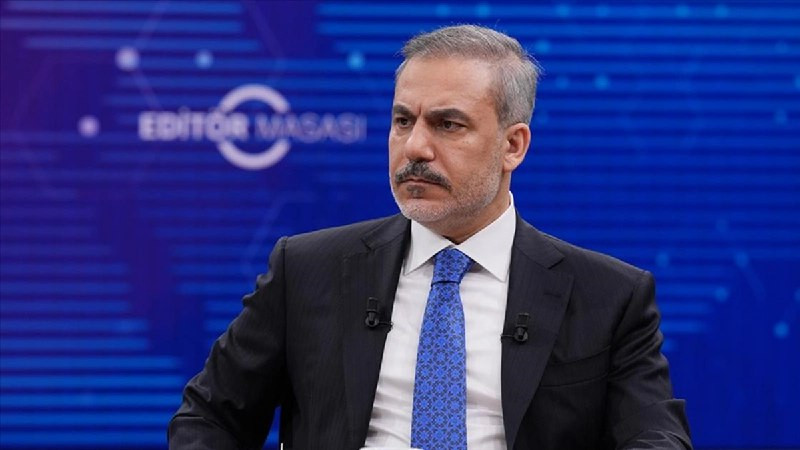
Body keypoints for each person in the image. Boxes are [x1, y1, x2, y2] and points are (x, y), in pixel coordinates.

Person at [168, 25, 692, 449]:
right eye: (403, 121)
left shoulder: (609, 297)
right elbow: (208, 418)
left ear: (513, 146)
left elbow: (657, 438)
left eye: (448, 125)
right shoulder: (307, 269)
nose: (415, 147)